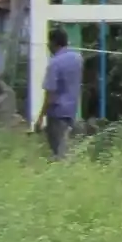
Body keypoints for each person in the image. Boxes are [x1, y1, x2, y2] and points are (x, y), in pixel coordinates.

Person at [37, 28, 82, 159]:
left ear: (53, 43)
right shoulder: (77, 59)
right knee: (68, 147)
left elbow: (50, 94)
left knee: (58, 151)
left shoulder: (54, 63)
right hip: (72, 110)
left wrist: (41, 117)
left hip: (57, 112)